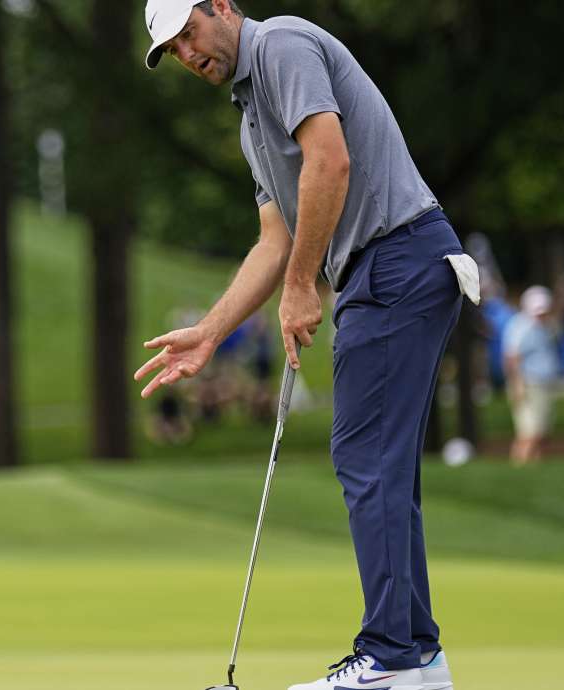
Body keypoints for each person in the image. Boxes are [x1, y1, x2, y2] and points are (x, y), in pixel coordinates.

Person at [134, 3, 474, 688]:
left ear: (222, 7)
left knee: (364, 456)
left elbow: (331, 161)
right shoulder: (251, 120)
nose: (188, 54)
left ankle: (391, 656)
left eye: (189, 32)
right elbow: (277, 239)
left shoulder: (281, 46)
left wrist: (300, 288)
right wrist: (211, 332)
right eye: (173, 50)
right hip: (385, 270)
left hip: (397, 259)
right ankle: (415, 653)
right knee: (381, 464)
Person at [503, 286, 559, 466]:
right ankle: (518, 465)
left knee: (540, 432)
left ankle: (533, 466)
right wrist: (517, 385)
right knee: (529, 432)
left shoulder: (547, 326)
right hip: (527, 383)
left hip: (543, 383)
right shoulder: (521, 327)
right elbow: (512, 358)